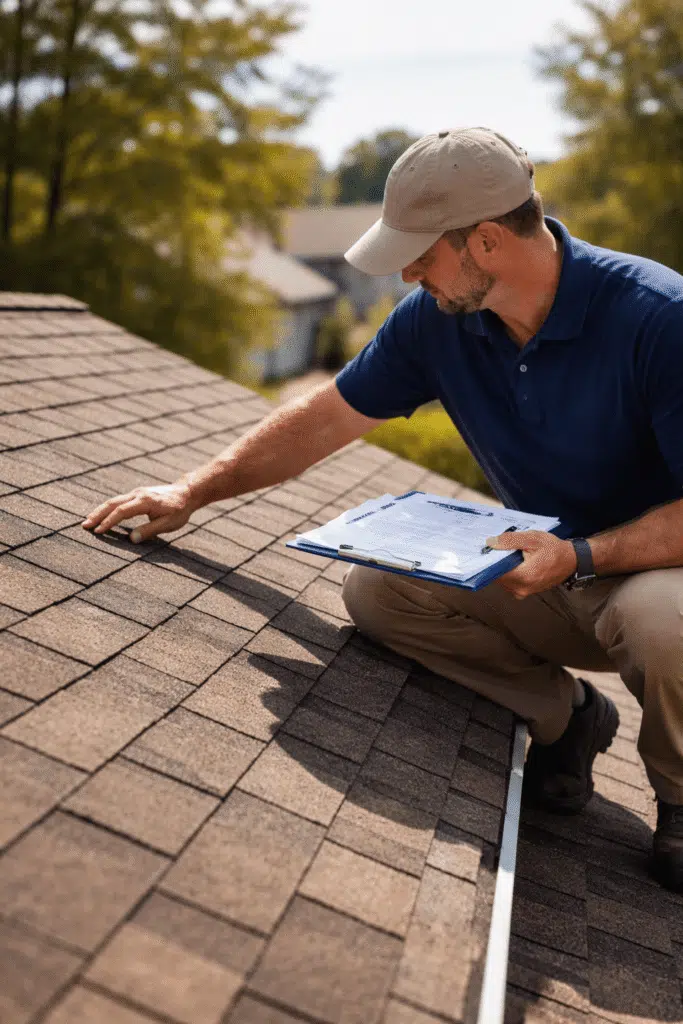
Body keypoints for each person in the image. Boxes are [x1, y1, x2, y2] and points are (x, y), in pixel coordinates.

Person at [82, 127, 683, 892]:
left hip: (655, 574)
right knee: (377, 590)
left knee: (665, 618)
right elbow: (325, 419)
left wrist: (586, 556)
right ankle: (567, 718)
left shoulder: (658, 319)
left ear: (488, 242)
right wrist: (191, 491)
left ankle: (679, 800)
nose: (405, 272)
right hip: (548, 573)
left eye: (421, 254)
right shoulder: (439, 321)